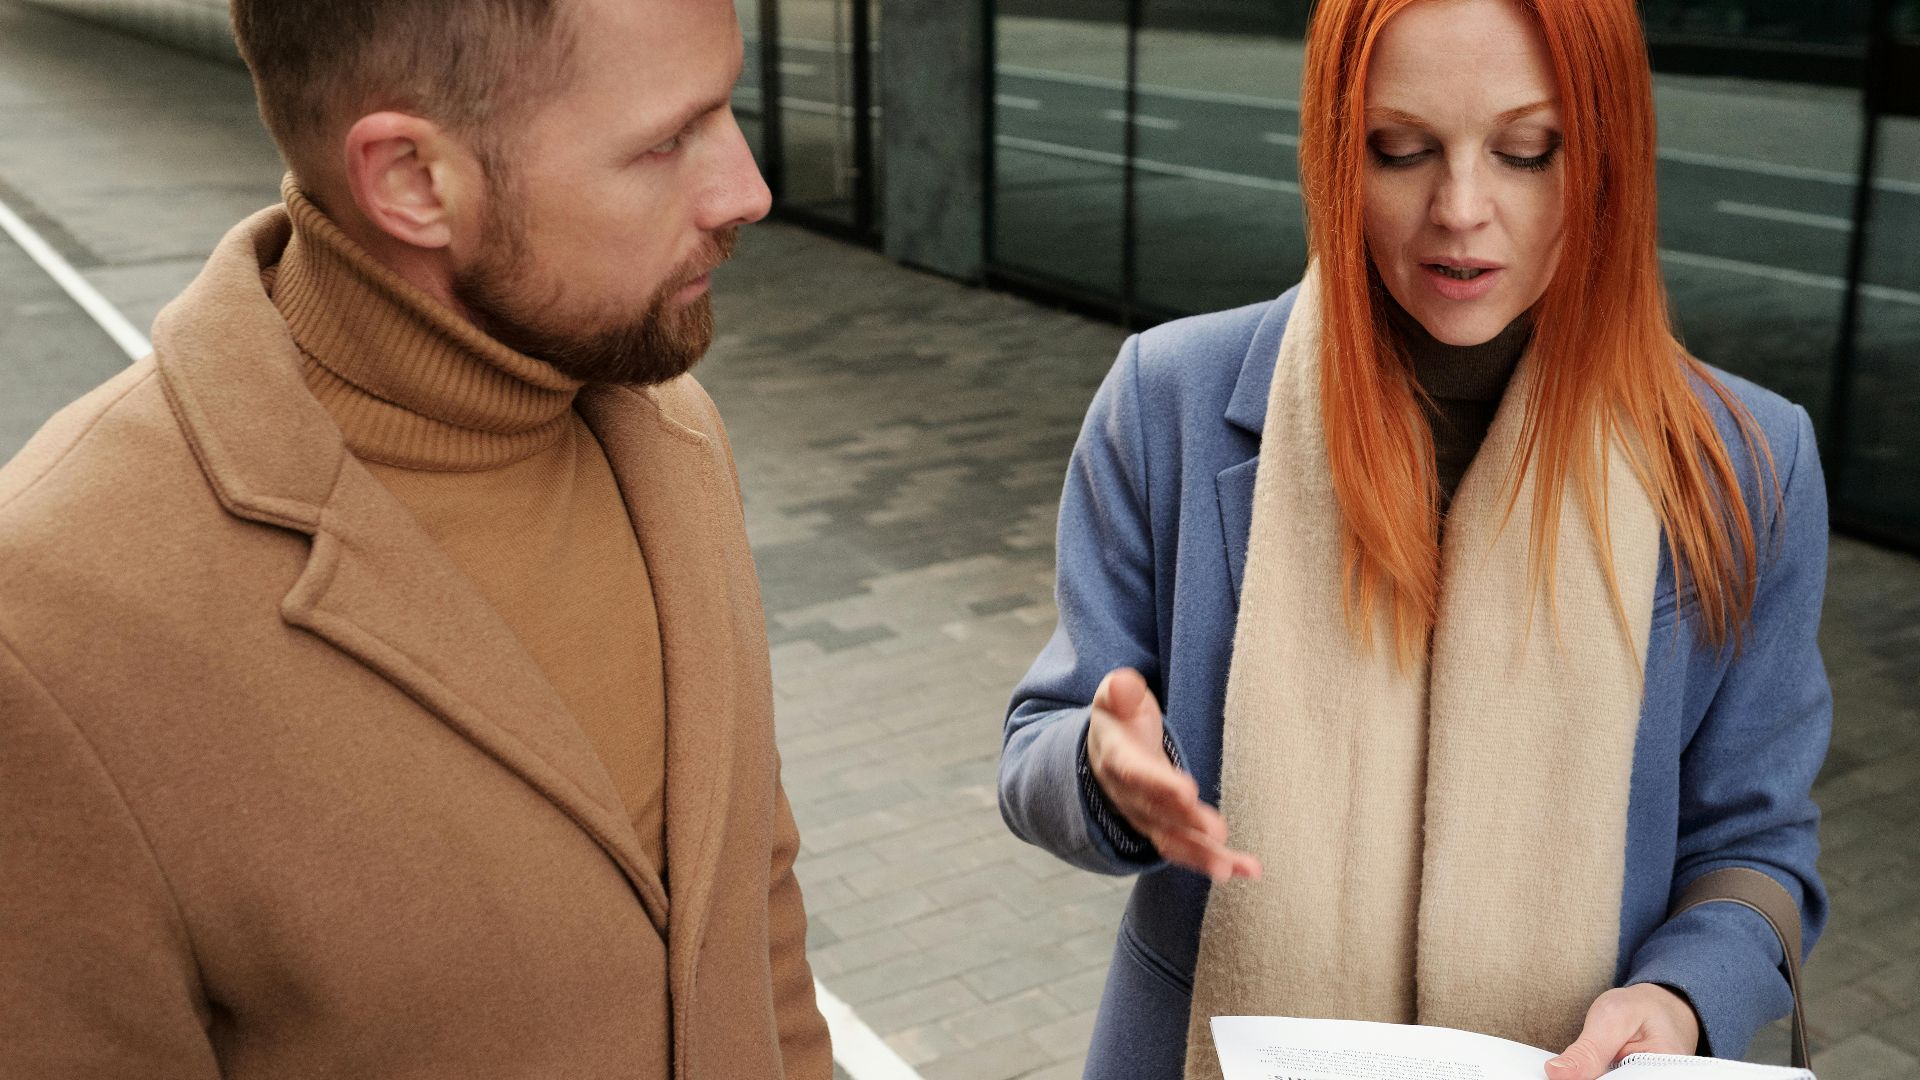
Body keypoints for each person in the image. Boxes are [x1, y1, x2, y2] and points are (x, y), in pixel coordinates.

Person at [998, 1, 1829, 1078]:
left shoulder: (1747, 463)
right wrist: (1106, 772)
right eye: (1402, 150)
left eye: (1530, 152)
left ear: (1609, 153)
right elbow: (1041, 743)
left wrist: (1678, 999)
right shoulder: (1169, 402)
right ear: (1338, 148)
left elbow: (1754, 848)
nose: (1462, 210)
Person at [0, 0, 830, 1076]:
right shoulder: (49, 629)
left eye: (728, 104)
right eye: (669, 139)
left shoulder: (672, 432)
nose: (747, 191)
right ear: (410, 181)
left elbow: (758, 915)